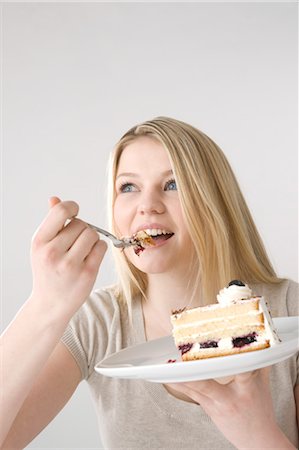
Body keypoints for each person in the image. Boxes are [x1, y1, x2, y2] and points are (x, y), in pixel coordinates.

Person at [1, 117, 298, 449]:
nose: (147, 206)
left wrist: (258, 436)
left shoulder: (290, 312)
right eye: (128, 187)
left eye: (172, 184)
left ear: (215, 201)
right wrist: (45, 304)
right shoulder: (98, 323)